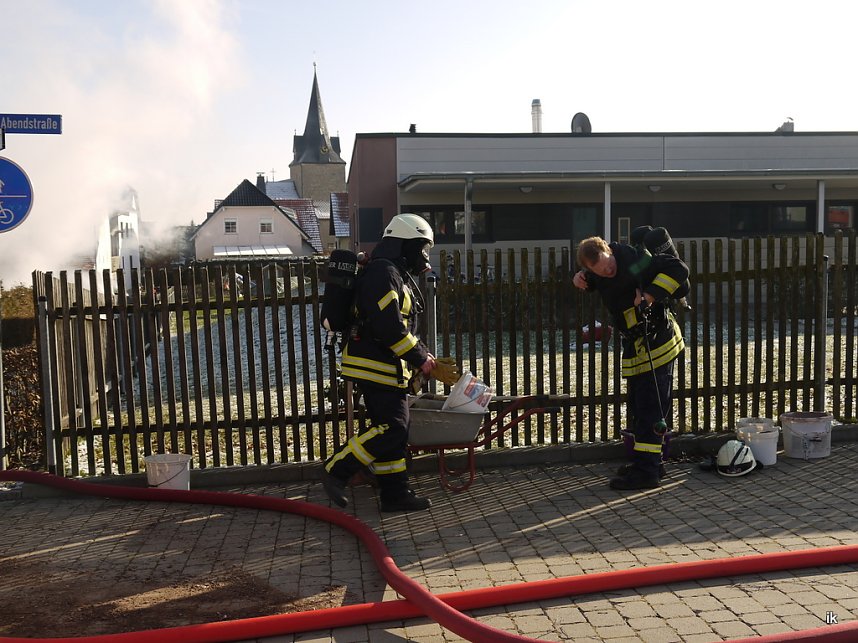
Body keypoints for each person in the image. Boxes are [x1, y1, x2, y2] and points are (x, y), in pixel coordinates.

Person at [320, 213, 458, 512]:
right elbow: (389, 326)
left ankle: (395, 494)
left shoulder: (390, 270)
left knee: (395, 431)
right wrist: (420, 357)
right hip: (376, 364)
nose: (425, 257)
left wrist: (422, 355)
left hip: (385, 364)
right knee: (392, 428)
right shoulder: (383, 272)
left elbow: (397, 325)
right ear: (406, 243)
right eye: (423, 248)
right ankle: (337, 469)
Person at [573, 235, 689, 490]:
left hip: (657, 343)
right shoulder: (597, 272)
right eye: (599, 270)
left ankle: (647, 473)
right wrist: (580, 279)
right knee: (639, 408)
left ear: (609, 249)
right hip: (637, 347)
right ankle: (649, 462)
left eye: (608, 264)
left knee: (650, 410)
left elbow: (679, 269)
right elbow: (597, 280)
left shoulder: (635, 261)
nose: (608, 270)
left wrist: (649, 296)